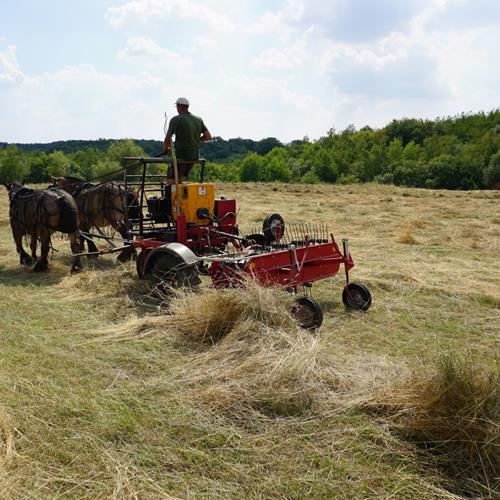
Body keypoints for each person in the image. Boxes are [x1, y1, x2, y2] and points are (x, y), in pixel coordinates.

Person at [163, 97, 212, 183]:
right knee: (181, 178)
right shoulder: (198, 119)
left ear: (178, 106)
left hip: (181, 156)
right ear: (187, 107)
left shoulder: (176, 119)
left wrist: (166, 149)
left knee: (171, 179)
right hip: (194, 157)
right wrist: (196, 138)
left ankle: (170, 196)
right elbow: (208, 137)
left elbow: (168, 138)